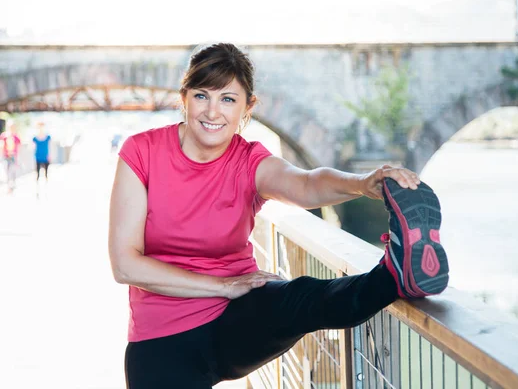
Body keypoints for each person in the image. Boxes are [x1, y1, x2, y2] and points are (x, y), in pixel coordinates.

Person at [108, 43, 449, 388]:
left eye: (227, 99)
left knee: (302, 299)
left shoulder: (248, 160)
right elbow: (125, 264)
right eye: (202, 96)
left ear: (246, 108)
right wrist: (222, 286)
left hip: (236, 318)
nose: (213, 112)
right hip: (161, 339)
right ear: (184, 98)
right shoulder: (143, 152)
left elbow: (306, 184)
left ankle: (394, 274)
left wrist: (363, 183)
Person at [0, 120, 21, 194]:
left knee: (12, 170)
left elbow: (19, 146)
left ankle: (12, 184)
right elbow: (1, 145)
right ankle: (8, 186)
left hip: (13, 156)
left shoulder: (16, 136)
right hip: (6, 156)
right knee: (6, 170)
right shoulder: (4, 135)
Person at [32, 122, 51, 187]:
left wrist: (49, 155)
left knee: (46, 172)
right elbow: (32, 147)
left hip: (45, 156)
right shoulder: (35, 138)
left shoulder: (48, 137)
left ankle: (46, 185)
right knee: (37, 172)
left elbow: (49, 146)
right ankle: (37, 186)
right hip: (38, 157)